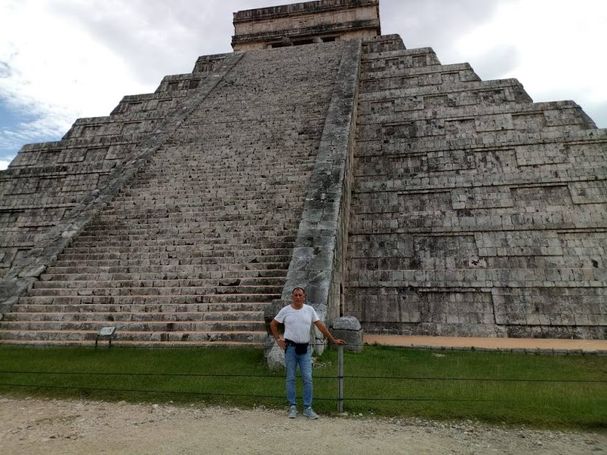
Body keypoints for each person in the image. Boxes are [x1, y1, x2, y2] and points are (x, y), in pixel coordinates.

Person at [270, 287, 345, 419]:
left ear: (304, 297)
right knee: (291, 378)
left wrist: (332, 339)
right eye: (295, 295)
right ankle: (292, 406)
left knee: (308, 379)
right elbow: (273, 324)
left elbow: (320, 325)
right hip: (290, 349)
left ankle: (307, 407)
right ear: (292, 297)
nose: (298, 297)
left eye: (300, 295)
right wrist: (278, 339)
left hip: (305, 349)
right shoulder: (286, 310)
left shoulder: (309, 310)